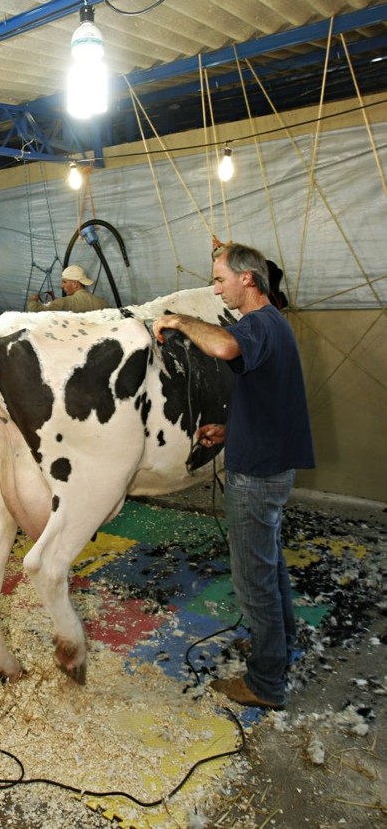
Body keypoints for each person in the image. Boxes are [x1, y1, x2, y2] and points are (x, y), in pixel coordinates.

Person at [153, 243, 314, 710]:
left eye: (220, 278)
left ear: (248, 279)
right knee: (271, 566)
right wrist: (229, 428)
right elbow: (267, 399)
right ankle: (277, 651)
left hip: (257, 475)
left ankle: (266, 683)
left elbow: (223, 346)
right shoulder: (273, 326)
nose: (215, 286)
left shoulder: (257, 323)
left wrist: (179, 319)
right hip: (271, 463)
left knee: (253, 579)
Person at [28, 265, 108, 312]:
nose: (62, 286)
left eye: (64, 282)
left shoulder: (64, 302)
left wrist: (32, 300)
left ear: (75, 284)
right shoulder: (102, 303)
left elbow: (36, 311)